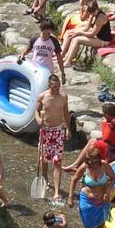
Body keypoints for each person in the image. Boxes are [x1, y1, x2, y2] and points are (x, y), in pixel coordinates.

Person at [35, 74, 69, 202]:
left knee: (57, 161)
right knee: (43, 159)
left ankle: (56, 192)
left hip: (58, 131)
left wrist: (68, 129)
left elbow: (65, 112)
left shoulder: (63, 97)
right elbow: (36, 111)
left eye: (58, 86)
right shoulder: (42, 96)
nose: (57, 89)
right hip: (45, 131)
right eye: (54, 87)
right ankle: (45, 180)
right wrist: (38, 119)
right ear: (49, 85)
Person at [68, 150, 113, 228]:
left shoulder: (104, 165)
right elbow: (74, 180)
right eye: (92, 162)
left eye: (96, 162)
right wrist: (70, 197)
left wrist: (108, 190)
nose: (95, 164)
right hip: (87, 201)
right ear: (88, 161)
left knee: (101, 224)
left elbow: (113, 178)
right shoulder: (84, 168)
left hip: (102, 200)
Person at [60, 0, 114, 66]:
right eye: (90, 13)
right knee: (73, 35)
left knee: (77, 40)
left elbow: (92, 34)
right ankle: (66, 58)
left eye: (93, 12)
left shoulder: (101, 17)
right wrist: (75, 31)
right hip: (97, 36)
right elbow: (86, 27)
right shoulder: (92, 14)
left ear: (97, 8)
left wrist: (80, 33)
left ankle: (68, 61)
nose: (92, 14)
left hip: (103, 40)